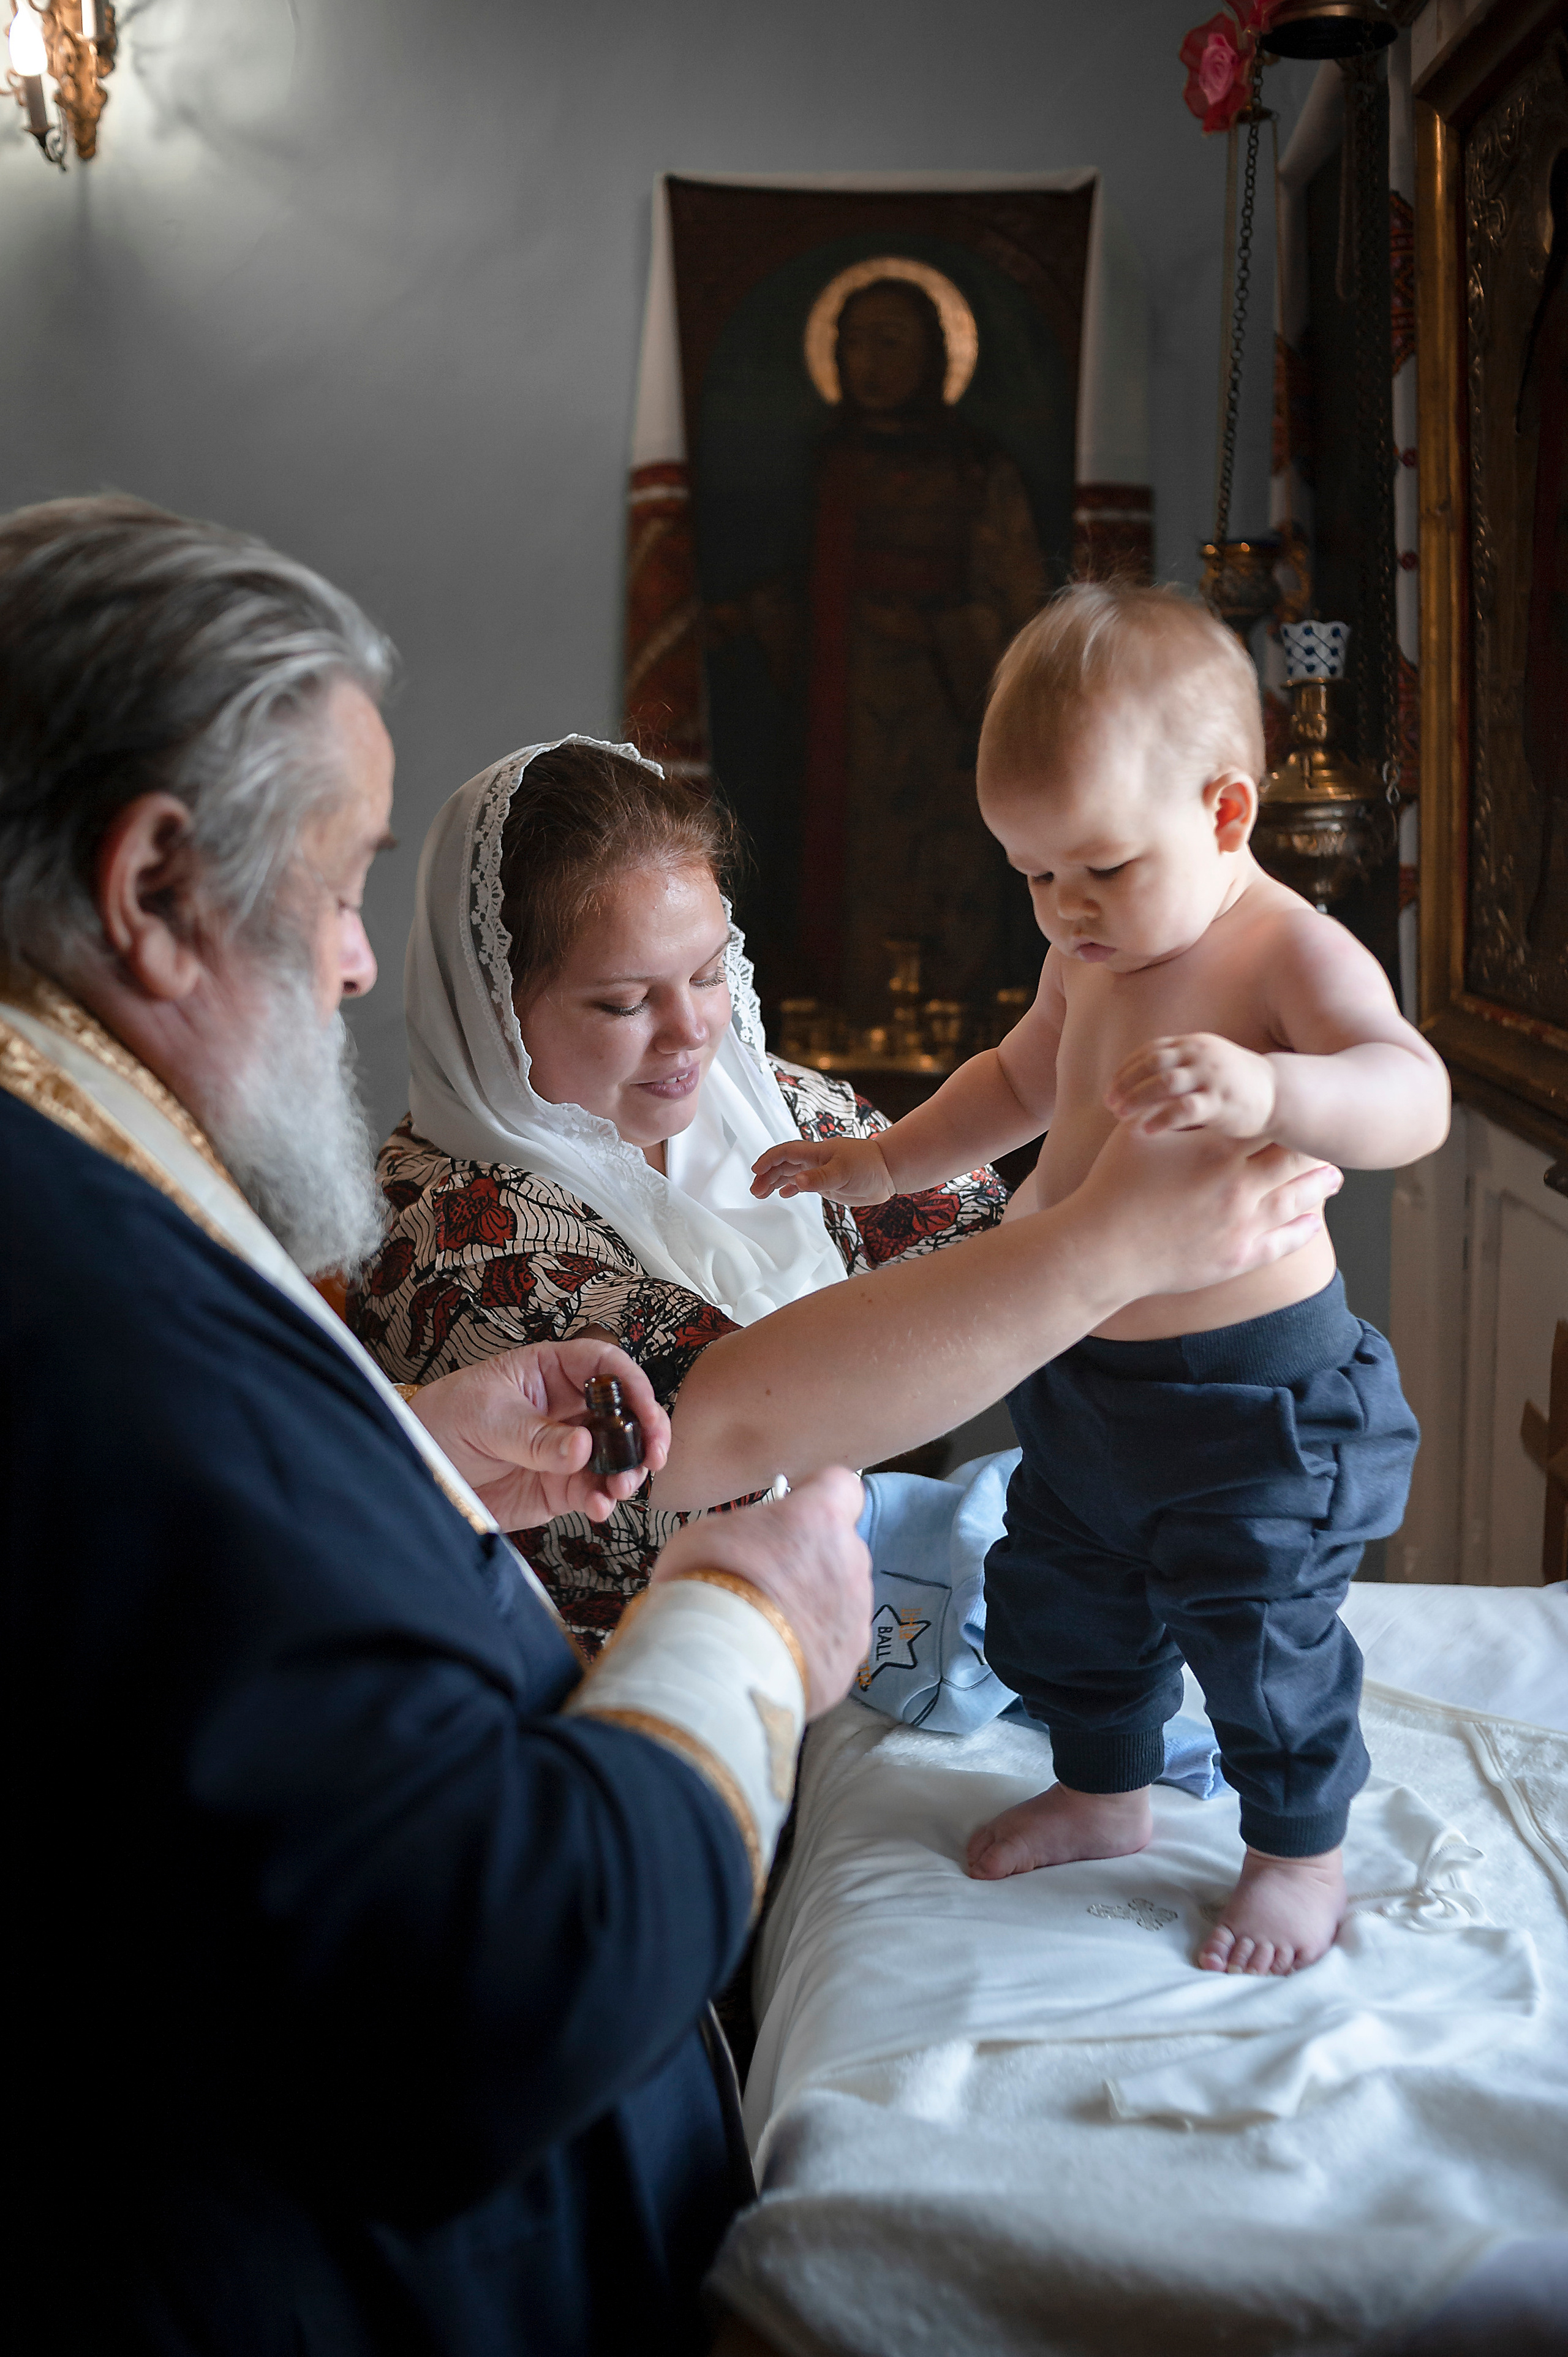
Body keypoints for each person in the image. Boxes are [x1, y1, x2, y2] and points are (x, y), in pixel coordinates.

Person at [1, 493, 873, 2357]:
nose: (357, 963)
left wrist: (405, 1454)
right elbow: (489, 1987)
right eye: (334, 886)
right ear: (154, 887)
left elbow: (199, 1583)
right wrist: (750, 1628)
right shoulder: (77, 1289)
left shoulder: (73, 1176)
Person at [752, 581, 1452, 1980]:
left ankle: (1297, 1853)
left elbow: (1410, 1094)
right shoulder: (1092, 948)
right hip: (1083, 1377)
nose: (1065, 906)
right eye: (1031, 874)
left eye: (1100, 867)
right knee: (1063, 1601)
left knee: (1258, 1635)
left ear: (1225, 815)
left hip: (1255, 1397)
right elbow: (1017, 1077)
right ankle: (1100, 1788)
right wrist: (885, 1160)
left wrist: (1271, 1083)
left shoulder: (1279, 950)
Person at [355, 730, 1347, 1677]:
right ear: (489, 1006)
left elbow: (985, 1235)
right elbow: (719, 1425)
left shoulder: (769, 1108)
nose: (691, 1033)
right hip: (656, 1717)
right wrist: (1117, 1246)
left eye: (708, 973)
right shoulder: (448, 1234)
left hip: (885, 1631)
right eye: (623, 1003)